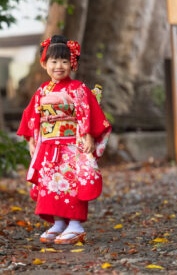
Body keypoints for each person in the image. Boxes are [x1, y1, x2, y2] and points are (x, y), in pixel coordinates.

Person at [17, 35, 112, 244]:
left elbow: (87, 112)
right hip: (49, 144)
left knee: (71, 184)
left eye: (64, 61)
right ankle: (59, 223)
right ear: (44, 64)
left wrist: (87, 135)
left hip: (71, 145)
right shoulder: (42, 90)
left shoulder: (78, 88)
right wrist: (32, 139)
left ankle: (75, 225)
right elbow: (32, 116)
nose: (59, 66)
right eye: (54, 61)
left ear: (72, 64)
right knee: (50, 184)